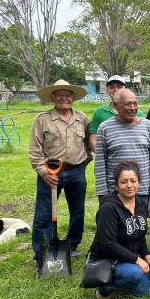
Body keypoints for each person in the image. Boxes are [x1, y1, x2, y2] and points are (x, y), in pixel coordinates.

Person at [87, 161, 150, 299]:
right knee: (134, 274)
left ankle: (120, 278)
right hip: (104, 258)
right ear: (116, 185)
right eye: (124, 182)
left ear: (139, 183)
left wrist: (146, 255)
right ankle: (103, 291)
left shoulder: (141, 204)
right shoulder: (108, 208)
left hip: (127, 255)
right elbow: (108, 244)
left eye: (133, 181)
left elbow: (139, 234)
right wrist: (137, 260)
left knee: (145, 293)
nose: (129, 185)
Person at [29, 80, 92, 262]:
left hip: (76, 172)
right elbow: (35, 151)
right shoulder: (42, 120)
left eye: (67, 95)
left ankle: (71, 246)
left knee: (78, 212)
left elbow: (88, 145)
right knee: (43, 215)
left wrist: (82, 163)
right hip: (50, 174)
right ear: (53, 98)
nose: (64, 98)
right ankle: (42, 254)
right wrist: (44, 172)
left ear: (73, 98)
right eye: (60, 95)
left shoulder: (82, 119)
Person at [94, 89, 150, 203]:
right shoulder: (105, 128)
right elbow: (100, 161)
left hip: (142, 190)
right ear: (116, 106)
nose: (132, 108)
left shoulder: (147, 125)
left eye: (135, 103)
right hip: (115, 191)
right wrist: (102, 191)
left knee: (140, 220)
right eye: (127, 104)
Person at [89, 75, 145, 152]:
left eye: (119, 87)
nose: (115, 89)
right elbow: (93, 139)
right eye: (112, 87)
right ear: (107, 91)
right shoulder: (99, 112)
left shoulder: (138, 113)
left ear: (126, 90)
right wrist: (104, 157)